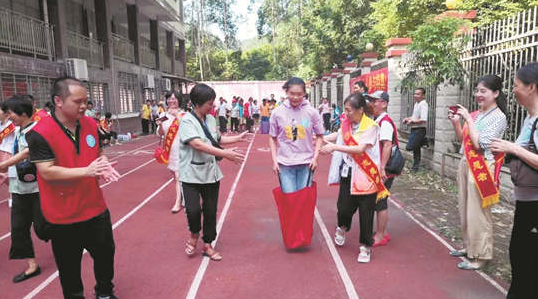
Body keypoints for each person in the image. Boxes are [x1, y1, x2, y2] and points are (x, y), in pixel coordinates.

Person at [26, 77, 121, 299]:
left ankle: (104, 292)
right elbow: (47, 171)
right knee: (69, 268)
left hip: (95, 208)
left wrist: (103, 163)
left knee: (106, 255)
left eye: (86, 101)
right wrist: (87, 171)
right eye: (77, 101)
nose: (83, 106)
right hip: (62, 215)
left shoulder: (90, 124)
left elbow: (98, 153)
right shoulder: (39, 133)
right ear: (58, 101)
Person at [180, 83, 251, 261]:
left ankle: (208, 244)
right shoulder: (187, 121)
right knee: (193, 210)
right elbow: (197, 144)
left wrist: (237, 138)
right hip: (191, 174)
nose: (212, 107)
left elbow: (217, 139)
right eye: (209, 104)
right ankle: (194, 234)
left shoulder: (211, 119)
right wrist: (225, 154)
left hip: (211, 174)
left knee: (210, 211)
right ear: (197, 103)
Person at [448, 75, 507, 270]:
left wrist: (467, 119)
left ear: (496, 93)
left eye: (483, 91)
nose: (478, 95)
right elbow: (462, 139)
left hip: (482, 167)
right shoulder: (475, 114)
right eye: (477, 91)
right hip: (466, 163)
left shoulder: (499, 117)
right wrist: (457, 123)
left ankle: (481, 255)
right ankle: (469, 247)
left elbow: (480, 143)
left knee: (479, 213)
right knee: (464, 207)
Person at [322, 92, 389, 263]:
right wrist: (319, 139)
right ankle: (342, 227)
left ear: (360, 110)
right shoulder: (346, 124)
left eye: (349, 110)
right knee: (343, 208)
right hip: (348, 174)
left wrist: (335, 148)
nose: (346, 114)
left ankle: (365, 247)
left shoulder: (371, 126)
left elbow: (360, 149)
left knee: (366, 214)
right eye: (345, 110)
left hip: (366, 177)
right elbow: (336, 136)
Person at [489, 63, 538, 298]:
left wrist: (512, 148)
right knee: (520, 257)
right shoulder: (530, 119)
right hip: (526, 200)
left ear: (531, 87)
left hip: (535, 205)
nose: (514, 90)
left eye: (517, 86)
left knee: (525, 261)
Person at [0, 95, 44, 283]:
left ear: (23, 113)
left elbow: (26, 153)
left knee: (44, 228)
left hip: (38, 189)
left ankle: (72, 240)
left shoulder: (37, 129)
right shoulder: (17, 130)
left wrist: (3, 165)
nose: (9, 117)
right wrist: (6, 173)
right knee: (19, 229)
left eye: (11, 113)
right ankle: (32, 266)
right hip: (19, 188)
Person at [269, 77, 324, 194]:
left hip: (306, 164)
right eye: (292, 94)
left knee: (303, 202)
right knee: (289, 202)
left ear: (304, 93)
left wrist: (315, 158)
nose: (295, 97)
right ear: (286, 92)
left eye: (299, 94)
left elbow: (320, 135)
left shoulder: (312, 112)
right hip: (285, 164)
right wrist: (274, 161)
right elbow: (272, 138)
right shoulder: (277, 113)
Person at [368, 91, 398, 246]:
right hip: (381, 167)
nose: (372, 103)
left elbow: (387, 145)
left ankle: (380, 236)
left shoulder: (385, 122)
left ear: (384, 104)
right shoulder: (378, 120)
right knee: (379, 200)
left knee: (380, 201)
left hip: (384, 169)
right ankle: (383, 232)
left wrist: (382, 168)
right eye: (371, 100)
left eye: (375, 101)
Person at [157, 91, 185, 214]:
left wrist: (177, 116)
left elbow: (186, 130)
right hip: (170, 150)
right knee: (176, 177)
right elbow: (161, 134)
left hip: (182, 149)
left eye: (174, 99)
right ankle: (185, 198)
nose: (171, 101)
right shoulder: (163, 114)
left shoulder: (184, 114)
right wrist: (160, 125)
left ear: (179, 100)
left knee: (179, 176)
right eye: (169, 98)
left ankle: (178, 202)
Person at [403, 88, 428, 171]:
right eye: (415, 94)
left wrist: (412, 122)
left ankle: (424, 140)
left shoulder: (423, 104)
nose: (415, 96)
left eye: (418, 94)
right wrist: (407, 118)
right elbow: (414, 117)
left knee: (409, 147)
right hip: (414, 129)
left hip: (419, 129)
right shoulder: (416, 104)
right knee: (416, 150)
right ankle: (415, 167)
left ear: (423, 95)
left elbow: (423, 119)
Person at [0, 101, 15, 187]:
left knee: (10, 180)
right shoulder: (0, 124)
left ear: (5, 113)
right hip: (1, 151)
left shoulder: (12, 125)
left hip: (8, 153)